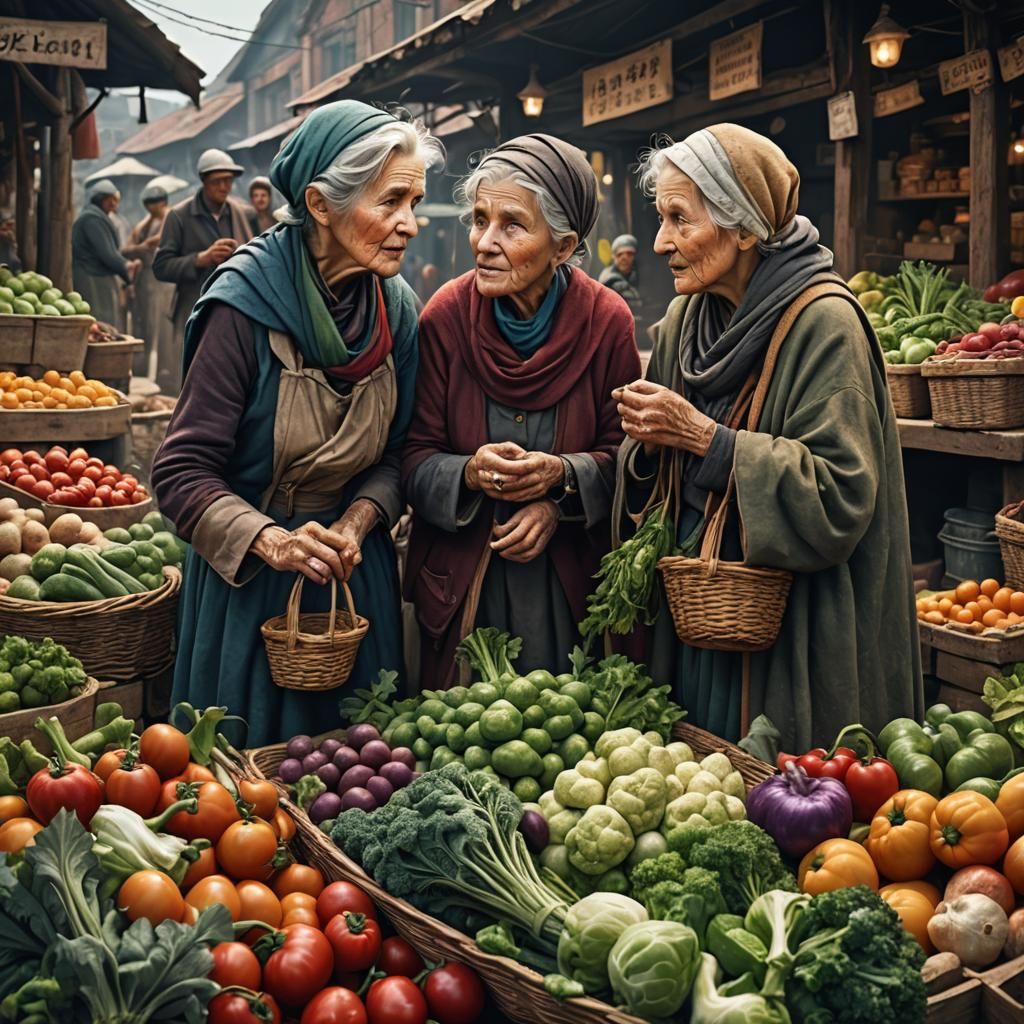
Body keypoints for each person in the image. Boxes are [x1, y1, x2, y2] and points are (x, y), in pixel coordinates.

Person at [613, 124, 922, 753]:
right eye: (660, 216)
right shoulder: (682, 322)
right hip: (702, 605)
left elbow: (840, 493)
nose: (660, 240)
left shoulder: (825, 323)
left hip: (796, 623)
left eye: (680, 218)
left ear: (746, 228)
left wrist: (707, 438)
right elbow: (650, 473)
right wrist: (646, 443)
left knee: (793, 794)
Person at [151, 101, 441, 746]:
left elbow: (399, 455)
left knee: (357, 776)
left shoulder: (397, 310)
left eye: (414, 202)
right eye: (390, 201)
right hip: (250, 581)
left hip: (349, 575)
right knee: (245, 792)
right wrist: (273, 541)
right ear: (319, 203)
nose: (409, 224)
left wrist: (356, 522)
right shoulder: (243, 305)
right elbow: (180, 471)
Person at [403, 134, 641, 686]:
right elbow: (411, 456)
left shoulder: (607, 321)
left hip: (566, 590)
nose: (484, 242)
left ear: (562, 246)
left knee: (563, 738)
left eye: (512, 225)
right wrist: (468, 470)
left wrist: (561, 489)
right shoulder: (444, 317)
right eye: (479, 218)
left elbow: (631, 458)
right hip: (465, 588)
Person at [153, 149, 254, 395]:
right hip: (193, 308)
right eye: (217, 181)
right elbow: (161, 266)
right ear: (204, 182)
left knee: (230, 377)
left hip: (233, 307)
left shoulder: (238, 213)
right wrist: (201, 259)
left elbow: (254, 255)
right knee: (193, 378)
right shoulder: (178, 216)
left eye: (228, 181)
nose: (224, 187)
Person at [122, 183, 175, 377]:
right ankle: (139, 370)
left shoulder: (173, 219)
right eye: (150, 203)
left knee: (164, 329)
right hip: (145, 279)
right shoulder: (142, 225)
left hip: (166, 281)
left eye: (157, 202)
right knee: (143, 326)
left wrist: (151, 244)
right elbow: (127, 249)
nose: (154, 207)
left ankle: (165, 373)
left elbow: (170, 239)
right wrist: (143, 247)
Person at [71, 180, 140, 328]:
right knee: (99, 321)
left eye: (116, 200)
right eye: (111, 200)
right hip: (91, 276)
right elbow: (107, 253)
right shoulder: (92, 219)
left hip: (96, 275)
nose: (114, 204)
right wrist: (126, 265)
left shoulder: (97, 217)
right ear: (101, 200)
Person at [599, 234, 642, 321]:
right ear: (613, 257)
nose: (624, 258)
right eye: (619, 254)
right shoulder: (611, 280)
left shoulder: (633, 275)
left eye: (629, 254)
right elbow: (636, 307)